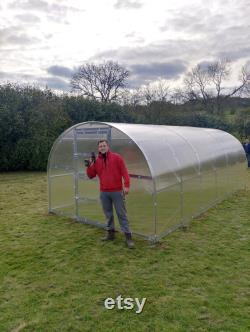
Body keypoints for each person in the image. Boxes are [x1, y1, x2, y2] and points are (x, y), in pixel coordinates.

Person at [85, 140, 135, 249]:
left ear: (108, 147)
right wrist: (89, 166)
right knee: (108, 214)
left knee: (121, 214)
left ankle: (128, 237)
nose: (102, 147)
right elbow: (91, 175)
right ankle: (110, 234)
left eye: (104, 145)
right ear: (98, 149)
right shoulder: (97, 161)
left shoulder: (117, 157)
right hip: (104, 192)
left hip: (117, 192)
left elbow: (124, 172)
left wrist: (126, 185)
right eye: (100, 146)